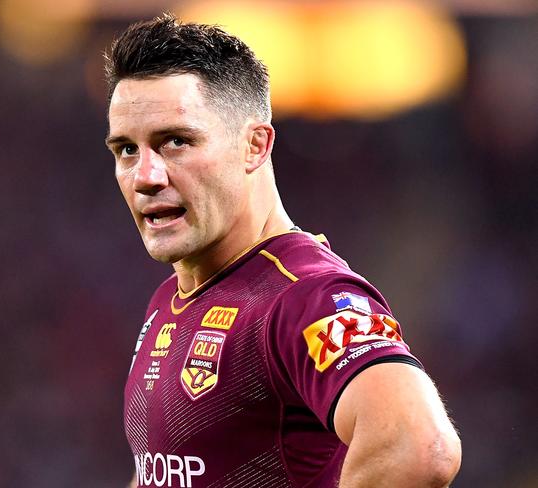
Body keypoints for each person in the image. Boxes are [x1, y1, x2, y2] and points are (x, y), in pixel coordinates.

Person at [105, 13, 461, 488]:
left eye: (176, 141)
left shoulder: (304, 295)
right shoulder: (170, 301)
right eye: (127, 149)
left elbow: (419, 447)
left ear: (254, 146)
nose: (145, 176)